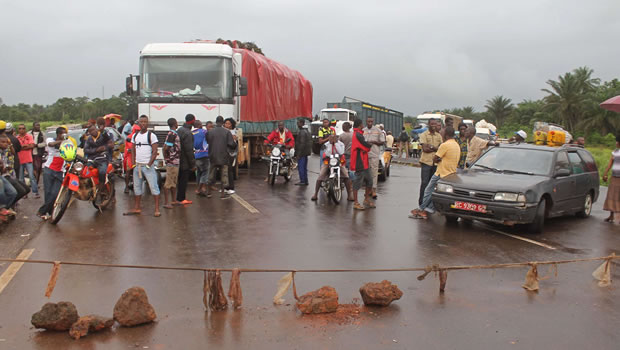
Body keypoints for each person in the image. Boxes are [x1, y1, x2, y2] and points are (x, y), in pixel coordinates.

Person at [410, 127, 460, 219]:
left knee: (428, 191)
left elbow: (435, 158)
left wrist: (437, 157)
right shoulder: (456, 145)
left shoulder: (445, 145)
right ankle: (428, 209)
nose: (440, 132)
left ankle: (421, 209)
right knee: (435, 193)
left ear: (446, 134)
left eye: (442, 131)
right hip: (451, 172)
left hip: (441, 172)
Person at [125, 115, 161, 217]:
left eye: (145, 122)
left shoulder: (151, 136)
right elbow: (133, 150)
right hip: (137, 166)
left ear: (147, 123)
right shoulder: (135, 136)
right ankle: (137, 208)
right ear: (139, 123)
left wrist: (149, 164)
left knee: (153, 187)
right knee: (137, 188)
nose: (143, 124)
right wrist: (133, 163)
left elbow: (154, 151)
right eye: (141, 122)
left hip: (147, 166)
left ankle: (157, 209)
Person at [36, 128, 66, 220]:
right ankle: (48, 212)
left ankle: (42, 211)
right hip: (49, 169)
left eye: (65, 134)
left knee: (55, 193)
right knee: (48, 192)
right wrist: (62, 141)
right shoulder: (50, 139)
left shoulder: (67, 142)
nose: (64, 135)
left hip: (60, 170)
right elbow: (50, 144)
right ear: (58, 134)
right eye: (63, 134)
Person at [311, 134, 352, 201]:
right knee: (321, 175)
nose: (333, 138)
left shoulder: (341, 144)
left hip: (338, 161)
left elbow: (341, 152)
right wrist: (330, 144)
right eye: (331, 137)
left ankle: (350, 195)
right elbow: (327, 153)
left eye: (334, 137)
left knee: (346, 175)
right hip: (329, 160)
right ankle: (315, 194)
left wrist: (335, 143)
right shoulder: (326, 144)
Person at [206, 116, 237, 199]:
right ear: (223, 122)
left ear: (216, 122)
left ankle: (208, 192)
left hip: (212, 156)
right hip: (223, 157)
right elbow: (231, 144)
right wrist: (234, 144)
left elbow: (208, 141)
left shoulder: (210, 132)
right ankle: (222, 194)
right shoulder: (227, 132)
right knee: (224, 175)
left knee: (211, 175)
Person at [83, 124, 113, 204]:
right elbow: (85, 150)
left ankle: (100, 192)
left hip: (103, 159)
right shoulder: (89, 139)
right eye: (91, 131)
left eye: (94, 129)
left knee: (102, 172)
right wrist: (96, 150)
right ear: (89, 132)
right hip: (92, 159)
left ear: (96, 129)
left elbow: (111, 144)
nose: (93, 132)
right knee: (84, 171)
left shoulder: (104, 135)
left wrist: (105, 148)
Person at [350, 118, 374, 210]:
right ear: (360, 125)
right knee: (357, 182)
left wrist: (367, 145)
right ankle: (356, 202)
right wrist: (369, 144)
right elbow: (365, 146)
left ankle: (366, 199)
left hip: (364, 161)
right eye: (362, 124)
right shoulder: (358, 135)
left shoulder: (359, 134)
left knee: (370, 181)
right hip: (359, 161)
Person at [418, 119, 442, 205]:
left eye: (435, 124)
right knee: (424, 183)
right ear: (428, 124)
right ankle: (421, 203)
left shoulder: (439, 136)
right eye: (432, 124)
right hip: (426, 162)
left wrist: (431, 147)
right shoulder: (423, 135)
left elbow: (441, 149)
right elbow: (425, 149)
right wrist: (435, 148)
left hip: (435, 163)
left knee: (432, 185)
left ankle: (429, 203)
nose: (434, 126)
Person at [176, 114, 197, 204]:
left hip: (177, 159)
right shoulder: (188, 133)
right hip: (185, 161)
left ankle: (178, 197)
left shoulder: (179, 130)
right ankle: (181, 198)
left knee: (179, 180)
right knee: (183, 181)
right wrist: (193, 164)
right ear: (193, 121)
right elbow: (189, 150)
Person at [362, 117, 385, 199]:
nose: (370, 123)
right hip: (365, 154)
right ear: (366, 121)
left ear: (373, 121)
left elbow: (382, 141)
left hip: (374, 154)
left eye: (371, 121)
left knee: (374, 172)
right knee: (365, 173)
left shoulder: (377, 130)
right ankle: (367, 190)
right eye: (368, 121)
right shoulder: (363, 130)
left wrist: (375, 142)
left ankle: (374, 190)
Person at [16, 124, 39, 198]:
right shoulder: (16, 138)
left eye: (23, 128)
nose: (21, 130)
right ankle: (24, 193)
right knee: (21, 178)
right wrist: (26, 146)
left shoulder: (29, 136)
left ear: (25, 129)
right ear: (18, 130)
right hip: (20, 160)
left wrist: (22, 147)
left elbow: (32, 146)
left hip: (28, 159)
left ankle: (35, 192)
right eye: (20, 128)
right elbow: (17, 148)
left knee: (32, 177)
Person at [162, 118, 181, 209]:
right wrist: (168, 158)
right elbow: (166, 148)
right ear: (175, 124)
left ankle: (173, 200)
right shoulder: (172, 134)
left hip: (175, 161)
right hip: (172, 161)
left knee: (173, 181)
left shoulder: (172, 134)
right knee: (168, 183)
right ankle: (167, 202)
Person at [602, 135, 620, 223]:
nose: (616, 143)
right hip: (614, 177)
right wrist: (605, 173)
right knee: (611, 195)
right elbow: (610, 164)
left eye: (617, 141)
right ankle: (611, 216)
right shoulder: (615, 152)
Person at [0, 134, 18, 220]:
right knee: (2, 191)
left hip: (5, 174)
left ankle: (4, 209)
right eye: (3, 142)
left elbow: (13, 153)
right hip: (3, 175)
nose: (5, 144)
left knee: (13, 193)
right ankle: (2, 209)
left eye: (6, 142)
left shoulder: (4, 151)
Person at [193, 120, 210, 196]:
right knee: (206, 172)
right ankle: (199, 188)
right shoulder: (204, 132)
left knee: (199, 172)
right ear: (200, 125)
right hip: (204, 154)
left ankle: (199, 187)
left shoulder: (192, 133)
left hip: (196, 155)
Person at [123, 124, 141, 193]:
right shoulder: (129, 137)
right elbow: (129, 148)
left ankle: (136, 186)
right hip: (130, 157)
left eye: (138, 131)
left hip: (138, 157)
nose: (137, 132)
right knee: (128, 171)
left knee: (138, 172)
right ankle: (126, 186)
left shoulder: (141, 137)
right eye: (136, 130)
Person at [295, 118, 311, 186]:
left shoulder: (302, 132)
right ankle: (305, 180)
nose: (297, 124)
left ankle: (302, 181)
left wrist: (298, 154)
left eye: (298, 122)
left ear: (302, 123)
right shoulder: (307, 131)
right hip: (306, 153)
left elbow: (302, 143)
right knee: (304, 167)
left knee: (301, 167)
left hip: (302, 153)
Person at [223, 118, 238, 194]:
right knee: (225, 171)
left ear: (231, 124)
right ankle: (226, 187)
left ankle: (231, 187)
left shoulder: (233, 132)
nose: (227, 125)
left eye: (229, 123)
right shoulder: (224, 131)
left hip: (231, 154)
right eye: (226, 123)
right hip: (225, 153)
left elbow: (233, 143)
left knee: (230, 171)